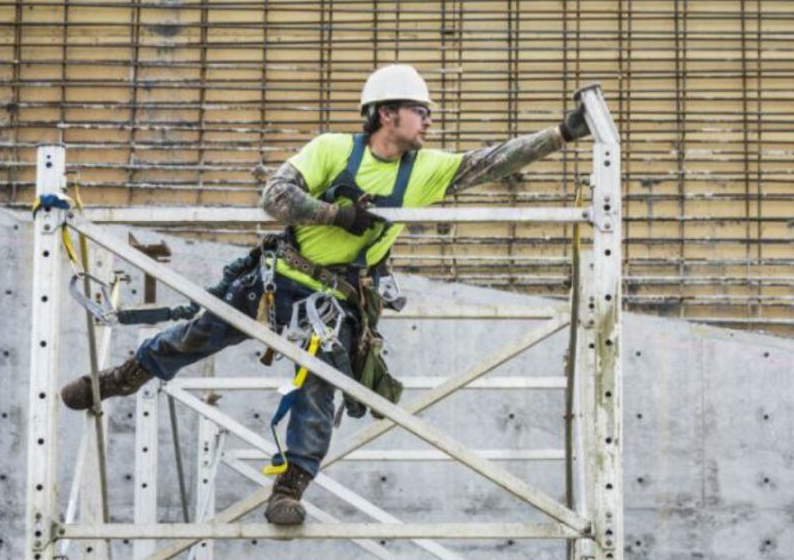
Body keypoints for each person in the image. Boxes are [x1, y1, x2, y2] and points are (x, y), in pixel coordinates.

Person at [59, 63, 592, 525]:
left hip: (335, 301)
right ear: (387, 114)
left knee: (321, 382)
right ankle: (128, 376)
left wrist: (562, 134)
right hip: (281, 278)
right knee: (203, 330)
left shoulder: (425, 170)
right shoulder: (332, 150)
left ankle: (290, 487)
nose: (430, 120)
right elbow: (276, 194)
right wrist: (335, 214)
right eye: (420, 110)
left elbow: (494, 161)